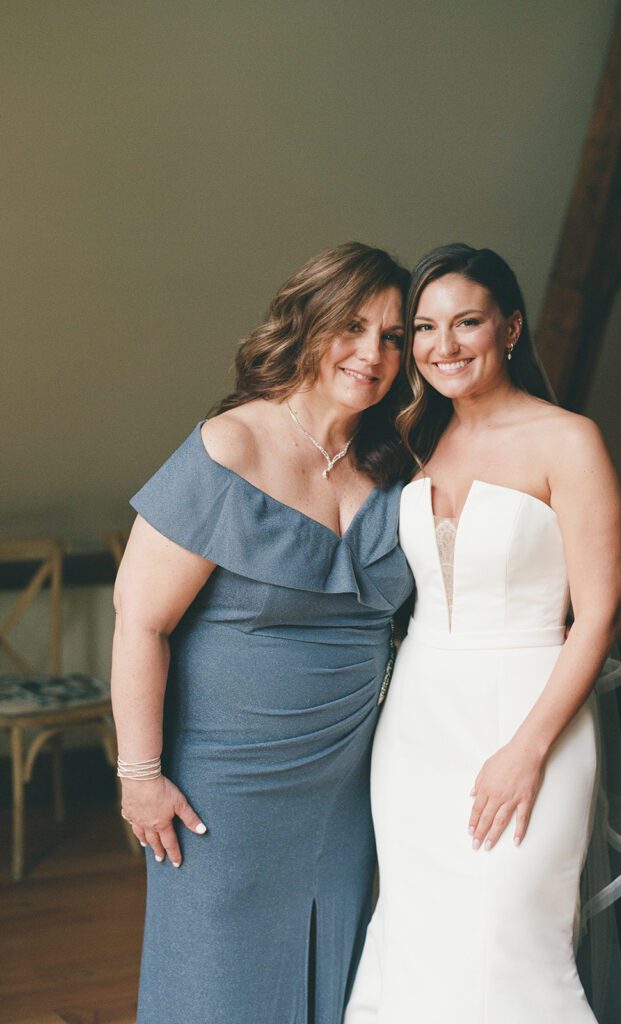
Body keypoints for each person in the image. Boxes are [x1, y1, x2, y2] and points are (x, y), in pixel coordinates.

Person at [111, 242, 415, 1024]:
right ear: (309, 322)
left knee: (334, 983)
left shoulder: (396, 465)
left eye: (392, 336)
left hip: (347, 791)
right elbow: (140, 621)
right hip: (226, 790)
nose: (371, 353)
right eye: (352, 326)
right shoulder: (231, 446)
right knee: (212, 987)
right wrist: (140, 776)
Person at [345, 244, 621, 1023]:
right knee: (412, 933)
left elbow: (599, 614)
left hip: (530, 709)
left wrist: (525, 750)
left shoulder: (569, 441)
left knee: (513, 937)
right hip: (416, 721)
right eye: (426, 328)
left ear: (509, 328)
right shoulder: (408, 439)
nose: (445, 346)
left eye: (467, 322)